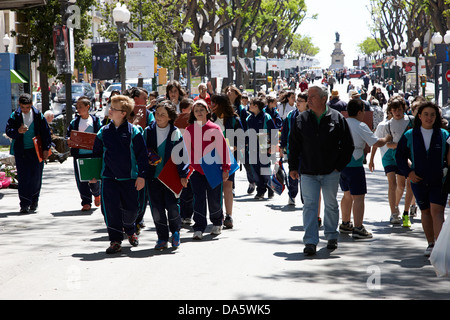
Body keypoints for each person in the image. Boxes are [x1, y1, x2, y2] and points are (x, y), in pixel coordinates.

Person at [288, 85, 354, 255]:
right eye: (307, 97)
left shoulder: (337, 118)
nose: (308, 99)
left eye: (312, 96)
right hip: (308, 171)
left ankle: (331, 235)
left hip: (330, 172)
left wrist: (338, 166)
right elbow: (294, 145)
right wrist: (293, 167)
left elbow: (348, 146)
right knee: (309, 206)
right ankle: (310, 241)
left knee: (331, 204)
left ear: (324, 99)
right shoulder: (301, 119)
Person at [92, 95, 149, 254]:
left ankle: (130, 229)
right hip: (109, 178)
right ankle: (115, 241)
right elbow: (96, 155)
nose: (109, 110)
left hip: (129, 179)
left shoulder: (134, 132)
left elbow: (142, 156)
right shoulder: (103, 132)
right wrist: (93, 174)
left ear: (123, 113)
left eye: (113, 109)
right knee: (110, 210)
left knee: (131, 210)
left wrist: (142, 176)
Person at [396, 102, 449, 256]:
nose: (429, 117)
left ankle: (440, 247)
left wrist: (446, 172)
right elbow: (400, 156)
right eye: (426, 114)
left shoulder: (444, 135)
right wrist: (408, 172)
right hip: (418, 181)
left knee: (437, 211)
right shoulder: (409, 135)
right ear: (419, 116)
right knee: (425, 211)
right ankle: (431, 244)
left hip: (438, 181)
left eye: (433, 115)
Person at [339, 99, 391, 239]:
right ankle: (358, 227)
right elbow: (376, 142)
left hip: (341, 165)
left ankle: (345, 223)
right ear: (360, 111)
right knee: (359, 197)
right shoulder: (361, 125)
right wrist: (386, 138)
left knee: (347, 194)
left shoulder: (342, 122)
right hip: (355, 165)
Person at [144, 100, 190, 250]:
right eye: (157, 113)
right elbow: (142, 151)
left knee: (172, 206)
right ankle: (162, 238)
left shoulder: (175, 132)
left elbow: (182, 155)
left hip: (171, 178)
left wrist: (183, 174)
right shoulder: (148, 131)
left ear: (170, 117)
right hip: (153, 177)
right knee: (156, 209)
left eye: (163, 114)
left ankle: (175, 231)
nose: (158, 117)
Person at [184, 99, 231, 240]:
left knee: (214, 197)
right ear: (193, 113)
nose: (199, 112)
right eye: (196, 110)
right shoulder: (189, 129)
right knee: (198, 198)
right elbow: (186, 151)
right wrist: (189, 168)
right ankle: (199, 227)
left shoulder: (215, 128)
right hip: (196, 170)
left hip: (214, 169)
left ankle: (217, 221)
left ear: (207, 111)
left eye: (202, 110)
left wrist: (225, 168)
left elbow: (223, 149)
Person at [6, 93, 52, 213]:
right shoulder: (15, 116)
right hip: (21, 152)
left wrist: (46, 148)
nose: (25, 110)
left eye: (27, 107)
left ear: (31, 105)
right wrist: (18, 131)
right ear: (19, 105)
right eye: (23, 107)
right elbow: (9, 131)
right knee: (23, 177)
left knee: (36, 177)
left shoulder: (38, 116)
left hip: (36, 151)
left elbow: (46, 133)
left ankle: (34, 200)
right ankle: (24, 204)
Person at [210, 94, 244, 229]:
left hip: (229, 158)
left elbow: (242, 139)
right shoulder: (209, 119)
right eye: (211, 103)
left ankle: (229, 215)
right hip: (211, 158)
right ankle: (218, 215)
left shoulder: (234, 120)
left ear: (222, 104)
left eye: (214, 103)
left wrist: (233, 148)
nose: (211, 106)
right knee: (215, 187)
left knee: (228, 186)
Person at [380, 96, 415, 226]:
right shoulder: (388, 124)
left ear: (404, 109)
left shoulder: (411, 121)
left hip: (405, 157)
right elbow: (388, 143)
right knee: (392, 184)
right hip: (390, 156)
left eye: (399, 109)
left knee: (401, 186)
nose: (397, 112)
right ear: (390, 111)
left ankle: (397, 206)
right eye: (394, 110)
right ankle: (394, 213)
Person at [66, 96, 102, 211]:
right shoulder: (74, 122)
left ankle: (97, 194)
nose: (78, 109)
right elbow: (69, 135)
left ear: (88, 107)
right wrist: (68, 140)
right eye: (77, 107)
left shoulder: (96, 121)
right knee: (81, 179)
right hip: (79, 155)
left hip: (93, 154)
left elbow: (101, 134)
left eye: (81, 107)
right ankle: (86, 202)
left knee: (94, 179)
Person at [246, 96, 277, 200]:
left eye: (251, 104)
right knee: (255, 169)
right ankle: (260, 191)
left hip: (264, 145)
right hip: (252, 146)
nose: (249, 106)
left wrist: (272, 145)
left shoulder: (266, 117)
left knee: (264, 169)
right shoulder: (249, 118)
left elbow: (274, 131)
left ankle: (270, 187)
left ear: (256, 106)